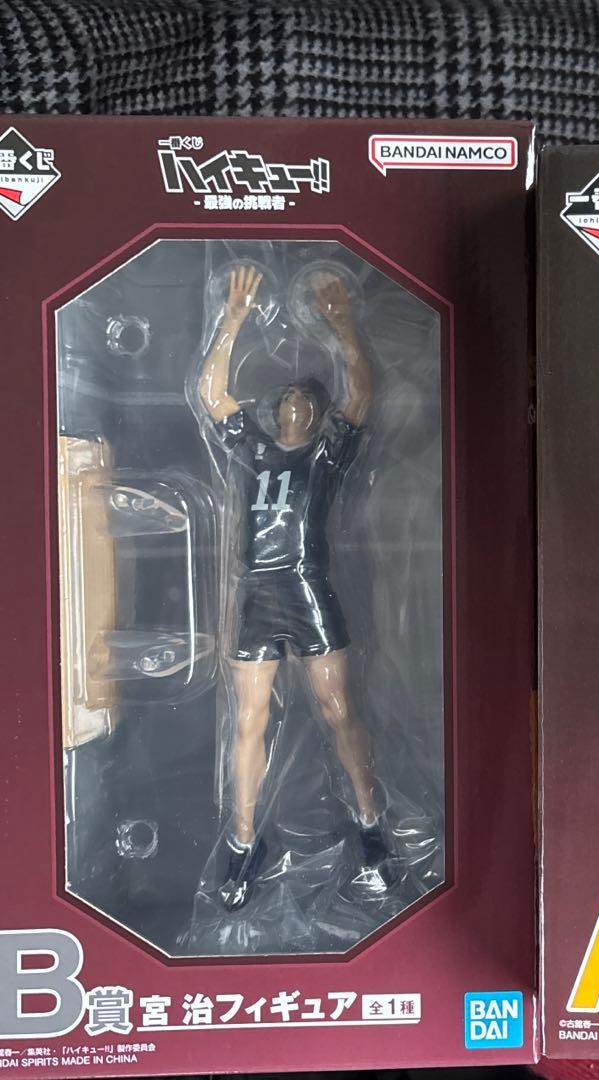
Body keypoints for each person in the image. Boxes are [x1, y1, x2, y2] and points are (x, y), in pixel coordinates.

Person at [197, 263, 389, 910]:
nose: (297, 408)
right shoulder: (250, 449)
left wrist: (345, 327)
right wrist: (231, 321)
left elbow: (360, 393)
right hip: (257, 593)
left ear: (317, 415)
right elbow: (212, 393)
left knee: (338, 710)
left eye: (309, 403)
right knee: (248, 720)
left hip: (308, 589)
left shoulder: (327, 455)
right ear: (276, 410)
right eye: (289, 402)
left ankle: (371, 827)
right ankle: (242, 842)